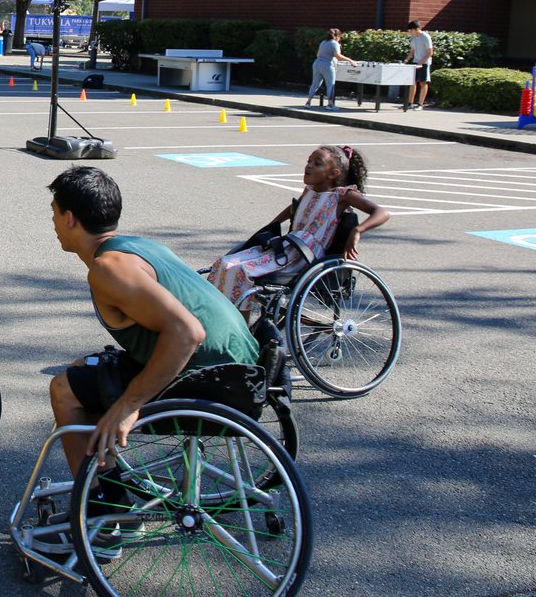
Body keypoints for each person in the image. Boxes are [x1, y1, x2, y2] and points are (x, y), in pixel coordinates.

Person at [47, 166, 260, 484]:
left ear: (70, 218)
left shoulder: (108, 269)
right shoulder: (140, 247)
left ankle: (102, 508)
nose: (52, 222)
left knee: (64, 390)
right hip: (244, 368)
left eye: (54, 212)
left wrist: (128, 405)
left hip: (211, 380)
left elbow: (188, 332)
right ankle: (106, 477)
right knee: (84, 373)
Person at [206, 145, 390, 314]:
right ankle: (220, 320)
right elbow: (294, 207)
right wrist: (272, 225)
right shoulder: (309, 189)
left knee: (241, 271)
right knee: (224, 263)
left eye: (317, 163)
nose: (308, 166)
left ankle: (242, 334)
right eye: (309, 161)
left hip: (304, 255)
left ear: (333, 173)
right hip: (287, 246)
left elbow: (381, 213)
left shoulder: (343, 195)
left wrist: (357, 231)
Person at [305, 28, 354, 110]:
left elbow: (318, 54)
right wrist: (350, 60)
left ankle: (308, 102)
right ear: (337, 36)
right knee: (330, 85)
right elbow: (338, 56)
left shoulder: (323, 42)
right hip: (328, 66)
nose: (340, 38)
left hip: (317, 64)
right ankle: (330, 104)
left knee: (315, 84)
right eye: (339, 37)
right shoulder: (335, 43)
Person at [404, 20, 434, 110]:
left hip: (424, 62)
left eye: (411, 30)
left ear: (416, 29)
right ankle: (410, 103)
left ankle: (420, 104)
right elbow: (412, 51)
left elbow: (430, 52)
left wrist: (421, 62)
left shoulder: (426, 37)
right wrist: (407, 59)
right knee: (412, 82)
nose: (410, 32)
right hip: (415, 62)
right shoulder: (413, 37)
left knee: (423, 82)